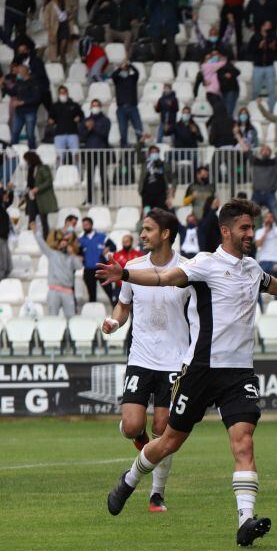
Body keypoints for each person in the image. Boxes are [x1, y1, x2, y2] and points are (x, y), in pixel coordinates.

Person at [99, 199, 277, 547]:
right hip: (199, 370)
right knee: (168, 441)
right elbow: (164, 276)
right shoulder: (205, 265)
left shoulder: (252, 268)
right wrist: (125, 274)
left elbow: (271, 284)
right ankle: (129, 479)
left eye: (251, 228)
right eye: (243, 228)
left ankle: (245, 521)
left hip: (239, 375)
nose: (250, 234)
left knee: (244, 444)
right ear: (226, 231)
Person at [101, 210, 194, 514]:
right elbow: (123, 306)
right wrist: (114, 323)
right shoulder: (132, 267)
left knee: (163, 429)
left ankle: (157, 493)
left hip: (174, 361)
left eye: (148, 229)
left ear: (165, 234)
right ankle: (138, 444)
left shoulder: (186, 270)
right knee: (132, 426)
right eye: (142, 229)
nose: (142, 235)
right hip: (140, 357)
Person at [36, 215, 83, 318]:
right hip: (54, 291)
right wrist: (36, 232)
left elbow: (79, 266)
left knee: (71, 317)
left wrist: (73, 254)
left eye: (65, 244)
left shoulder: (71, 258)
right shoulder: (52, 254)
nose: (63, 245)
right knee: (53, 317)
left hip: (67, 291)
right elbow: (42, 244)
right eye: (61, 243)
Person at [80, 99, 111, 206]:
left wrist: (93, 127)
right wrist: (88, 129)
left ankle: (106, 198)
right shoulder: (86, 120)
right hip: (90, 152)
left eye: (97, 105)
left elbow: (104, 134)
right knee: (90, 176)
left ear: (100, 107)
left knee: (103, 175)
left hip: (102, 151)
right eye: (93, 105)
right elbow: (82, 136)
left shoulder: (105, 120)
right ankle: (89, 199)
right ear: (90, 107)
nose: (95, 107)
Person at [80, 217, 117, 304]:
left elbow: (113, 246)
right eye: (83, 225)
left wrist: (108, 248)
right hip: (88, 270)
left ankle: (117, 312)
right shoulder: (81, 240)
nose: (85, 226)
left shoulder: (101, 236)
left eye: (87, 224)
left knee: (110, 293)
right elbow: (78, 253)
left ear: (91, 225)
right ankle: (93, 315)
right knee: (92, 296)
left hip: (101, 268)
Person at [245, 21, 277, 107]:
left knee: (271, 90)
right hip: (258, 66)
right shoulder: (255, 37)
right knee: (255, 90)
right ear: (262, 26)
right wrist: (259, 46)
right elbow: (250, 51)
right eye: (267, 25)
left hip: (269, 66)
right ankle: (253, 108)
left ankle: (271, 111)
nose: (269, 26)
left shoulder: (273, 36)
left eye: (270, 25)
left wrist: (273, 48)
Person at [23, 151, 57, 238]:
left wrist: (38, 189)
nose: (26, 162)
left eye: (26, 160)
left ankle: (46, 239)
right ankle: (31, 239)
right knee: (31, 219)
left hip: (42, 198)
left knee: (43, 220)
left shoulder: (43, 168)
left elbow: (48, 181)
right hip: (31, 197)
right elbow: (29, 184)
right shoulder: (30, 169)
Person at [112, 61, 144, 148]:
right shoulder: (118, 79)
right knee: (123, 133)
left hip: (133, 108)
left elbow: (137, 72)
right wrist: (120, 67)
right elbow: (113, 75)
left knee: (139, 131)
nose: (124, 70)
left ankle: (141, 151)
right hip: (121, 109)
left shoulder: (132, 78)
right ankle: (124, 153)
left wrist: (129, 64)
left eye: (126, 69)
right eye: (123, 69)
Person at [49, 85, 84, 164]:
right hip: (59, 134)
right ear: (58, 94)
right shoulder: (54, 106)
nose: (62, 94)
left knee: (76, 156)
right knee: (59, 157)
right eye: (60, 93)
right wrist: (50, 121)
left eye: (64, 92)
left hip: (72, 133)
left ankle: (77, 174)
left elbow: (82, 116)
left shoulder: (74, 105)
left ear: (67, 93)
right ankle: (59, 174)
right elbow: (51, 118)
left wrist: (79, 118)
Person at [250, 145, 277, 221]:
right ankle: (250, 232)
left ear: (270, 153)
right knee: (250, 216)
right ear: (260, 152)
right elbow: (246, 150)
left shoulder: (274, 162)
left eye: (267, 150)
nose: (265, 151)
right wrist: (238, 135)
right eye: (263, 150)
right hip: (256, 194)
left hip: (270, 194)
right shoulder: (255, 161)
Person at [139, 144, 174, 212]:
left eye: (156, 152)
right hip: (147, 196)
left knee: (160, 216)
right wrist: (141, 141)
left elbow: (174, 177)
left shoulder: (164, 164)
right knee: (148, 215)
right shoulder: (145, 165)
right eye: (152, 152)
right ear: (149, 154)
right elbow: (137, 151)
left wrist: (172, 189)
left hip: (160, 196)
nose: (154, 154)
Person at [255, 209, 277, 277]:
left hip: (274, 262)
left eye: (271, 217)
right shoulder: (259, 231)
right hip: (263, 262)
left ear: (273, 220)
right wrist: (265, 233)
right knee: (262, 284)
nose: (269, 219)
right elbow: (258, 245)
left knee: (274, 283)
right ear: (264, 219)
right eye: (267, 217)